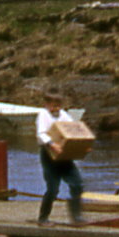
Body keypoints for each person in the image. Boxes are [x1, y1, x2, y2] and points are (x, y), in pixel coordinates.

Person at [32, 89, 86, 224]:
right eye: (53, 104)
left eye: (58, 104)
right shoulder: (43, 115)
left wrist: (83, 144)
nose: (55, 107)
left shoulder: (63, 114)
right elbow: (41, 133)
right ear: (46, 104)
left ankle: (76, 216)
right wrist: (51, 144)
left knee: (77, 183)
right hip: (49, 154)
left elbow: (73, 129)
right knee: (53, 188)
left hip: (64, 155)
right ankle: (43, 217)